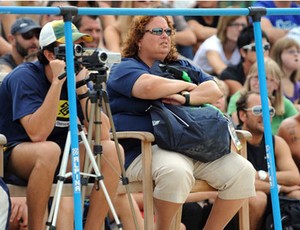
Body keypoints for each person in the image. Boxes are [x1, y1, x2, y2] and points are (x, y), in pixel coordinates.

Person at [107, 15, 256, 230]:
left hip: (191, 145)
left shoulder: (181, 64)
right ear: (139, 39)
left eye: (168, 31)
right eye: (157, 31)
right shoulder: (125, 67)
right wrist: (185, 86)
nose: (165, 36)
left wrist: (186, 98)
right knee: (175, 171)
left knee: (243, 172)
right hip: (145, 149)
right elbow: (147, 87)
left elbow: (214, 90)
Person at [0, 20, 122, 230]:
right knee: (48, 150)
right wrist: (57, 83)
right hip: (17, 153)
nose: (77, 55)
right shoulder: (25, 76)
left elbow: (103, 135)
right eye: (70, 49)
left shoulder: (79, 76)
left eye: (79, 48)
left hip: (61, 154)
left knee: (112, 150)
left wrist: (82, 87)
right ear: (49, 54)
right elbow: (37, 134)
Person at [236, 91, 300, 230]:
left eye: (269, 111)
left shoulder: (276, 142)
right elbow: (242, 182)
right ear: (242, 115)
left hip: (269, 195)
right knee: (257, 198)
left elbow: (294, 177)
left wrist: (262, 175)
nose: (265, 114)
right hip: (237, 201)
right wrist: (280, 187)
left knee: (297, 194)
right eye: (258, 110)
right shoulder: (234, 139)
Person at [227, 58, 298, 134]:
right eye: (256, 77)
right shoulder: (238, 97)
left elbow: (298, 123)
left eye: (265, 79)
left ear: (276, 84)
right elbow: (236, 125)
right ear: (249, 79)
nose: (259, 82)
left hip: (276, 144)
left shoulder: (284, 102)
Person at [219, 25, 270, 96]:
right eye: (256, 48)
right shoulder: (229, 75)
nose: (263, 51)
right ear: (243, 52)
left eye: (266, 47)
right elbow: (245, 98)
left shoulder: (273, 72)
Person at [193, 12, 248, 76]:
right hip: (199, 80)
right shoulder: (212, 44)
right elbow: (221, 71)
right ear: (224, 26)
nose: (240, 29)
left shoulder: (243, 45)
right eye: (235, 24)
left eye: (243, 25)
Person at [270, 36, 300, 110]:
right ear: (278, 55)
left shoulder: (298, 86)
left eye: (298, 52)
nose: (296, 55)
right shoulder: (272, 83)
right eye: (291, 51)